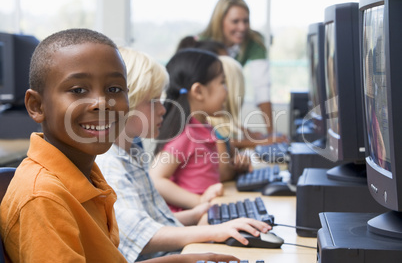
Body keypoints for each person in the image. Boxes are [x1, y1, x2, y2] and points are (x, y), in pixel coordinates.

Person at [0, 28, 239, 263]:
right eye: (78, 90)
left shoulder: (87, 173)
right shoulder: (44, 197)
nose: (101, 103)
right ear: (36, 106)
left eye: (114, 89)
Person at [96, 47, 271, 262]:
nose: (163, 109)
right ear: (124, 103)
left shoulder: (131, 154)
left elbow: (153, 221)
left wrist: (198, 213)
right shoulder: (109, 164)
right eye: (153, 101)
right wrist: (213, 230)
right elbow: (142, 236)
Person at [150, 48, 238, 212]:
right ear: (198, 91)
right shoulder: (186, 135)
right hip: (189, 221)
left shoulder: (204, 128)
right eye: (222, 83)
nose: (226, 90)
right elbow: (156, 179)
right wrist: (199, 201)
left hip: (204, 213)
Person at [199, 0, 274, 135]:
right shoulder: (202, 45)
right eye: (235, 21)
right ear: (220, 22)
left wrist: (270, 134)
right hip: (205, 119)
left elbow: (262, 88)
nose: (242, 27)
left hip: (224, 120)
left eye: (246, 21)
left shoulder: (253, 42)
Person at [208, 55, 288, 150]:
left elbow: (232, 131)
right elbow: (227, 142)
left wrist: (252, 135)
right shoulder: (209, 122)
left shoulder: (225, 119)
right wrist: (261, 141)